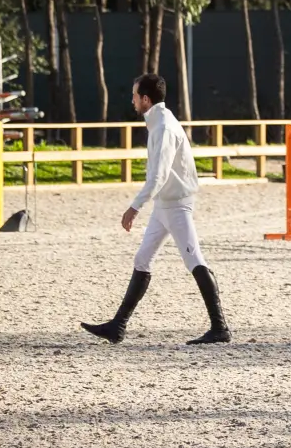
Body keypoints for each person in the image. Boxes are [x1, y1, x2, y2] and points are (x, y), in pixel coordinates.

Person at [81, 73, 231, 345]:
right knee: (142, 259)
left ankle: (220, 328)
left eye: (135, 95)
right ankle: (118, 326)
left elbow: (158, 177)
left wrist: (133, 207)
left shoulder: (163, 127)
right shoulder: (159, 121)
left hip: (176, 205)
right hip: (164, 204)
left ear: (146, 99)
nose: (132, 100)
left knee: (195, 260)